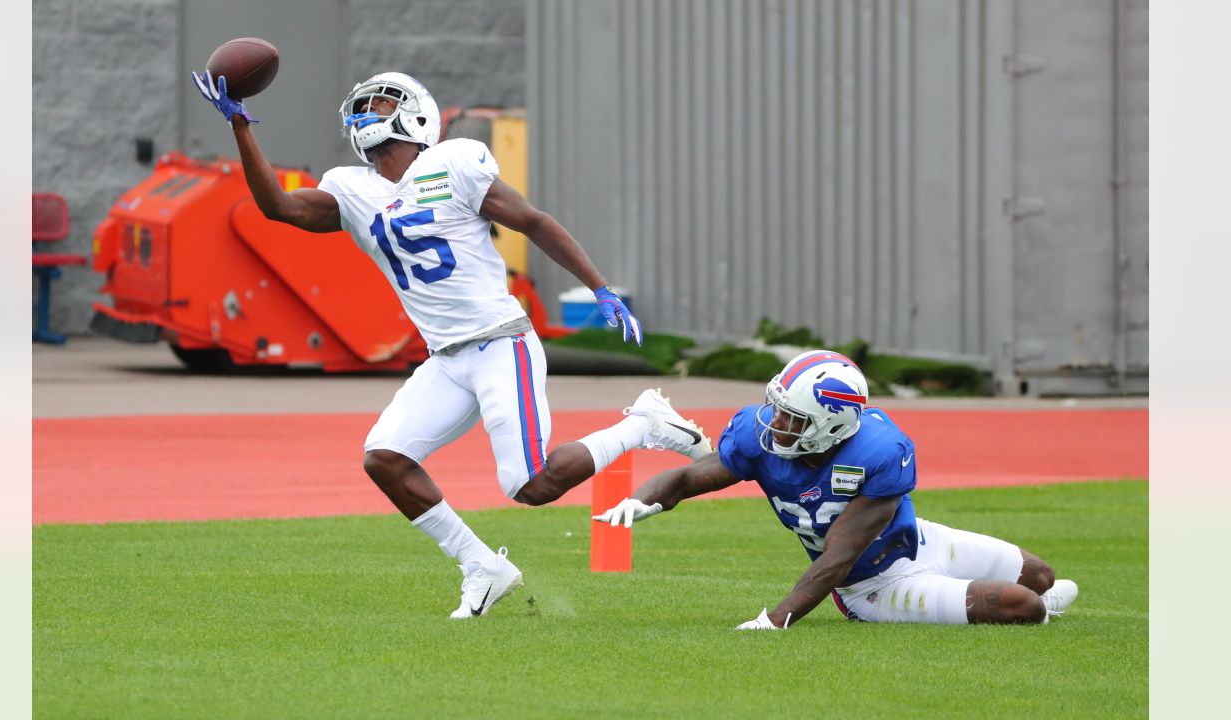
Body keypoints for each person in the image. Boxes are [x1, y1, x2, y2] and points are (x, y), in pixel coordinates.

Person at [192, 70, 713, 619]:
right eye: (362, 105)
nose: (369, 112)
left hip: (499, 343)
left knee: (531, 485)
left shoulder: (455, 162)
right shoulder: (352, 189)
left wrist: (599, 287)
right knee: (385, 459)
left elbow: (533, 222)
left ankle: (644, 424)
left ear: (418, 114)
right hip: (445, 358)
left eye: (383, 102)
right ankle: (481, 566)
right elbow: (278, 207)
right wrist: (241, 125)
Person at [595, 349, 1080, 628]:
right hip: (872, 587)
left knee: (1041, 574)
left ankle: (985, 595)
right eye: (778, 406)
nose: (776, 422)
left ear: (832, 423)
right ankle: (1019, 610)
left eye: (792, 416)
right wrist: (646, 498)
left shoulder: (879, 451)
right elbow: (686, 477)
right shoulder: (761, 438)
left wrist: (777, 617)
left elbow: (838, 552)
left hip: (912, 541)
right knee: (1026, 604)